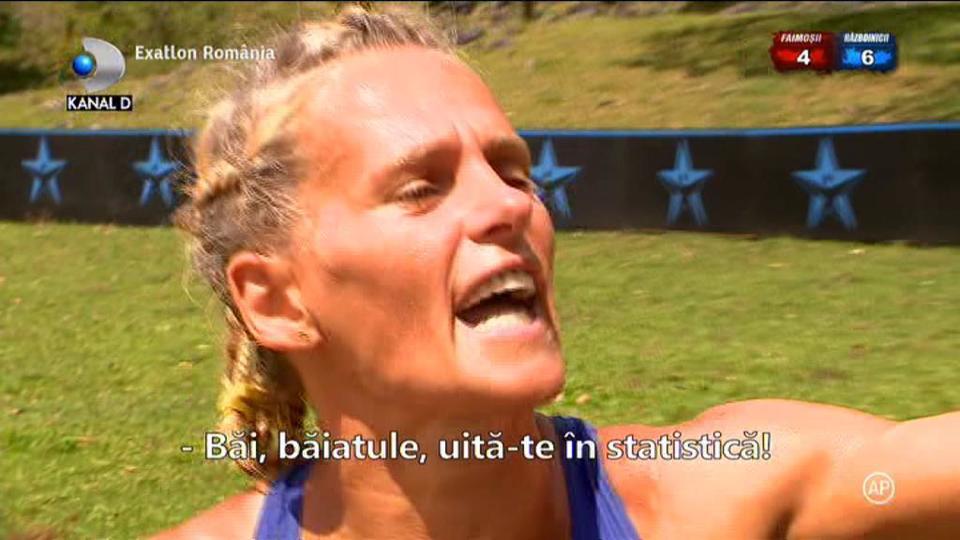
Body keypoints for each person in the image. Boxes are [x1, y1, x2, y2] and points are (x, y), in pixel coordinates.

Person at [154, 6, 960, 539]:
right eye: (421, 187)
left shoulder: (716, 496)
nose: (511, 206)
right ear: (278, 301)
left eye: (513, 171)